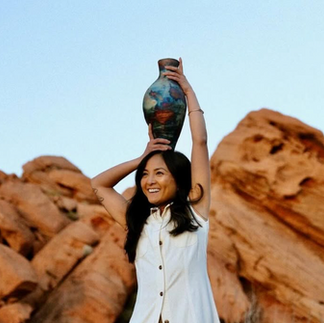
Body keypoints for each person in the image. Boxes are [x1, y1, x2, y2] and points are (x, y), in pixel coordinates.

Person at [91, 58, 220, 323]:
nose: (150, 180)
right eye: (145, 175)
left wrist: (188, 93)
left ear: (178, 179)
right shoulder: (138, 222)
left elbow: (200, 142)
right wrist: (141, 159)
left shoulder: (196, 212)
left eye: (159, 173)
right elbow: (99, 184)